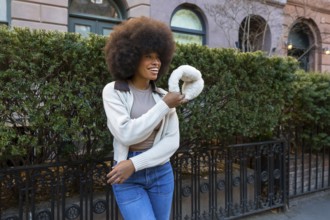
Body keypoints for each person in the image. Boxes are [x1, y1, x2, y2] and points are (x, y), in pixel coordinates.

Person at [102, 16, 186, 220]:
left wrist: (135, 164)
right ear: (131, 56)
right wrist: (164, 105)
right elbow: (126, 134)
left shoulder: (162, 95)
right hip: (126, 177)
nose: (156, 62)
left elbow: (172, 142)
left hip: (161, 173)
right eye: (149, 56)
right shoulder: (114, 91)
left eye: (158, 57)